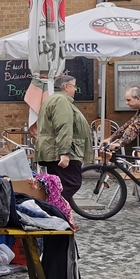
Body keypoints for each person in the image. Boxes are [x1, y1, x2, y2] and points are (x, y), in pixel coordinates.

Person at [34, 74, 93, 207]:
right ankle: (53, 212)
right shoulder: (61, 101)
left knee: (58, 186)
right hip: (60, 151)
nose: (76, 89)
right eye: (74, 86)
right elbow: (63, 126)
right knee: (71, 183)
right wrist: (64, 152)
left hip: (53, 150)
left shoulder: (53, 99)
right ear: (66, 86)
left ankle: (61, 216)